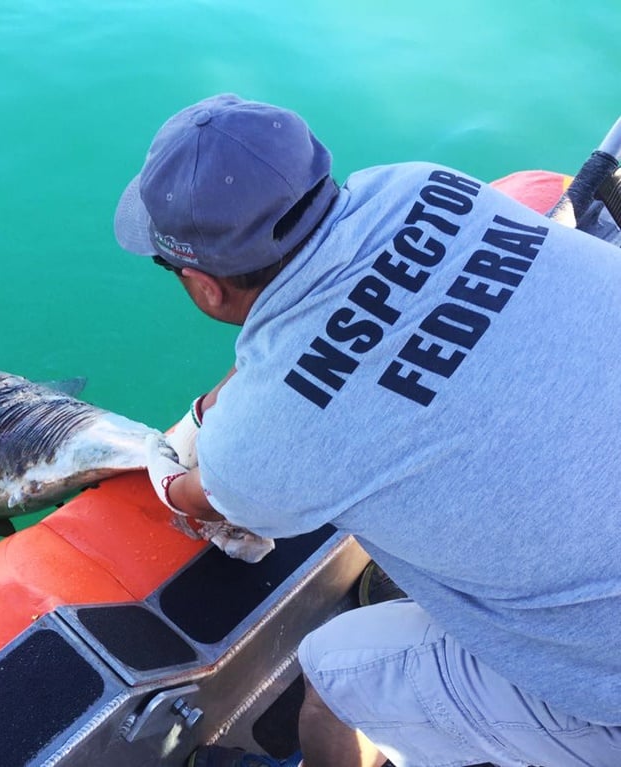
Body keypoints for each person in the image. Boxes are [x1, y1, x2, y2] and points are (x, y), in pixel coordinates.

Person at [113, 93, 621, 767]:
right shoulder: (421, 184)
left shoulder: (264, 441)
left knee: (332, 667)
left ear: (205, 287)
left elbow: (197, 494)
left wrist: (171, 472)